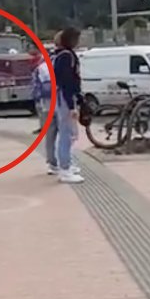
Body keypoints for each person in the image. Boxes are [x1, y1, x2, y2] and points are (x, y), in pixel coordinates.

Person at [53, 26, 84, 184]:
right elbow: (67, 82)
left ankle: (67, 164)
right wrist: (72, 105)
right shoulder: (66, 57)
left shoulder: (63, 55)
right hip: (65, 97)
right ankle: (64, 168)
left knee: (70, 132)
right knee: (66, 132)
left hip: (65, 96)